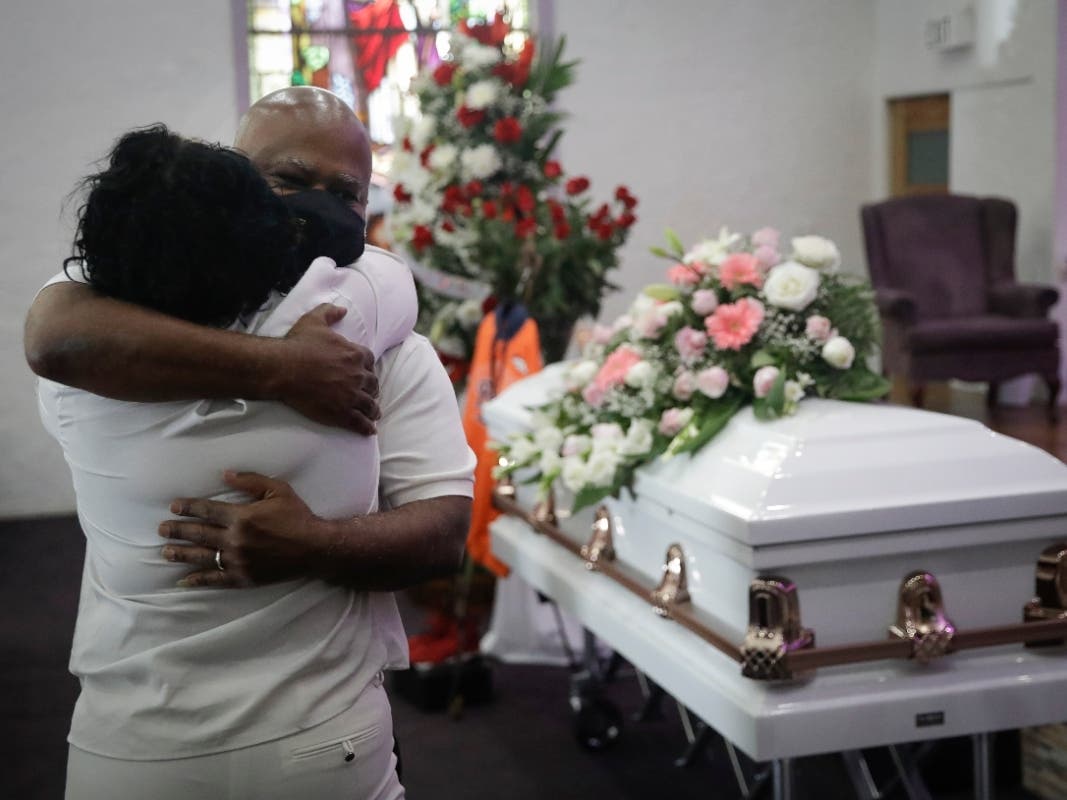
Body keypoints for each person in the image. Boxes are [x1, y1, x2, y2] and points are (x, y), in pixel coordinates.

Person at [26, 90, 476, 798]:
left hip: (222, 736)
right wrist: (283, 368)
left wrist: (313, 545)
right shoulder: (363, 321)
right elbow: (53, 335)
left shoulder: (91, 352)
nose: (316, 208)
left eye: (344, 193)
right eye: (289, 181)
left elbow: (444, 533)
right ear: (233, 176)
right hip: (230, 739)